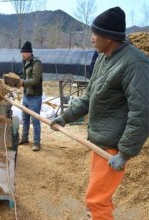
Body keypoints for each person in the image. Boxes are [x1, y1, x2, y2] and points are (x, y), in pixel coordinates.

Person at [50, 7, 149, 220]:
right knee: (97, 199)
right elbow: (88, 97)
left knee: (97, 202)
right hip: (100, 142)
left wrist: (125, 152)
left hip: (114, 146)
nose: (92, 39)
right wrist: (65, 117)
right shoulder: (103, 58)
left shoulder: (135, 64)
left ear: (110, 38)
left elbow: (141, 112)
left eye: (96, 34)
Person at [18, 41, 43, 151]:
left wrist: (22, 83)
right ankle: (24, 138)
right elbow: (23, 75)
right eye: (21, 52)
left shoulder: (36, 63)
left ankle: (37, 142)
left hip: (35, 96)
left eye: (24, 52)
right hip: (26, 94)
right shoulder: (25, 62)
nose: (22, 54)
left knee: (35, 120)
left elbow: (35, 79)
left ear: (29, 52)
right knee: (25, 118)